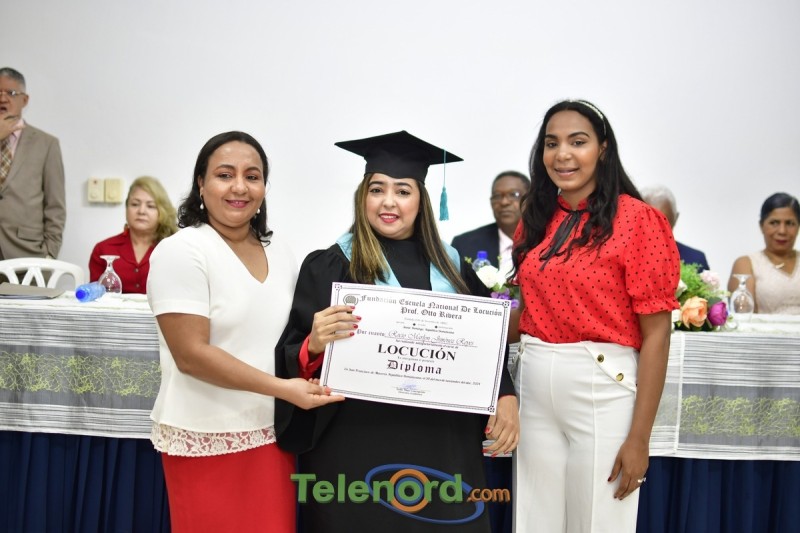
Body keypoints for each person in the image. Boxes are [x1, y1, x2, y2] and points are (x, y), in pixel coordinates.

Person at [275, 130, 519, 533]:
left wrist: (505, 394)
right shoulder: (331, 266)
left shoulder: (453, 268)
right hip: (356, 449)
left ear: (421, 200)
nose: (388, 201)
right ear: (363, 197)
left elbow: (484, 343)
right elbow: (294, 356)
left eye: (402, 191)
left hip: (442, 446)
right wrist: (313, 344)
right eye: (377, 189)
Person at [146, 131, 343, 532]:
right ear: (201, 184)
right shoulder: (182, 251)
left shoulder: (279, 250)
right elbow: (191, 356)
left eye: (252, 176)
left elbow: (287, 339)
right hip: (207, 434)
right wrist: (283, 388)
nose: (239, 187)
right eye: (224, 175)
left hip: (272, 434)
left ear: (264, 188)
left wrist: (318, 343)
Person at [511, 100, 680, 532]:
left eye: (578, 142)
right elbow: (528, 311)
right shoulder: (536, 217)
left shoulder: (639, 221)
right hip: (534, 380)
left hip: (601, 387)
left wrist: (639, 438)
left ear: (603, 149)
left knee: (598, 522)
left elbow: (657, 336)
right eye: (552, 143)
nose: (562, 154)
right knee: (533, 521)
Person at [0, 67, 66, 260]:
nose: (3, 99)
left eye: (11, 93)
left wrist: (50, 253)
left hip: (26, 253)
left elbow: (55, 205)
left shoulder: (46, 144)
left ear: (25, 100)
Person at [89, 176, 177, 293]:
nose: (141, 211)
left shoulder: (174, 248)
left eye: (150, 206)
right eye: (135, 204)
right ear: (126, 209)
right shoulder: (103, 249)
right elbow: (95, 297)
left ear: (162, 211)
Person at [727, 192, 800, 314]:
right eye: (774, 223)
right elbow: (744, 316)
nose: (782, 231)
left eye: (789, 223)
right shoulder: (746, 264)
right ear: (761, 226)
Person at [451, 170, 530, 276]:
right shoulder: (464, 244)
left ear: (530, 199)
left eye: (514, 194)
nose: (504, 202)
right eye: (497, 196)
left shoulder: (546, 240)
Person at [640, 184, 710, 270]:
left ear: (675, 218)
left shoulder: (695, 260)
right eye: (649, 222)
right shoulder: (625, 258)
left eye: (663, 224)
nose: (657, 231)